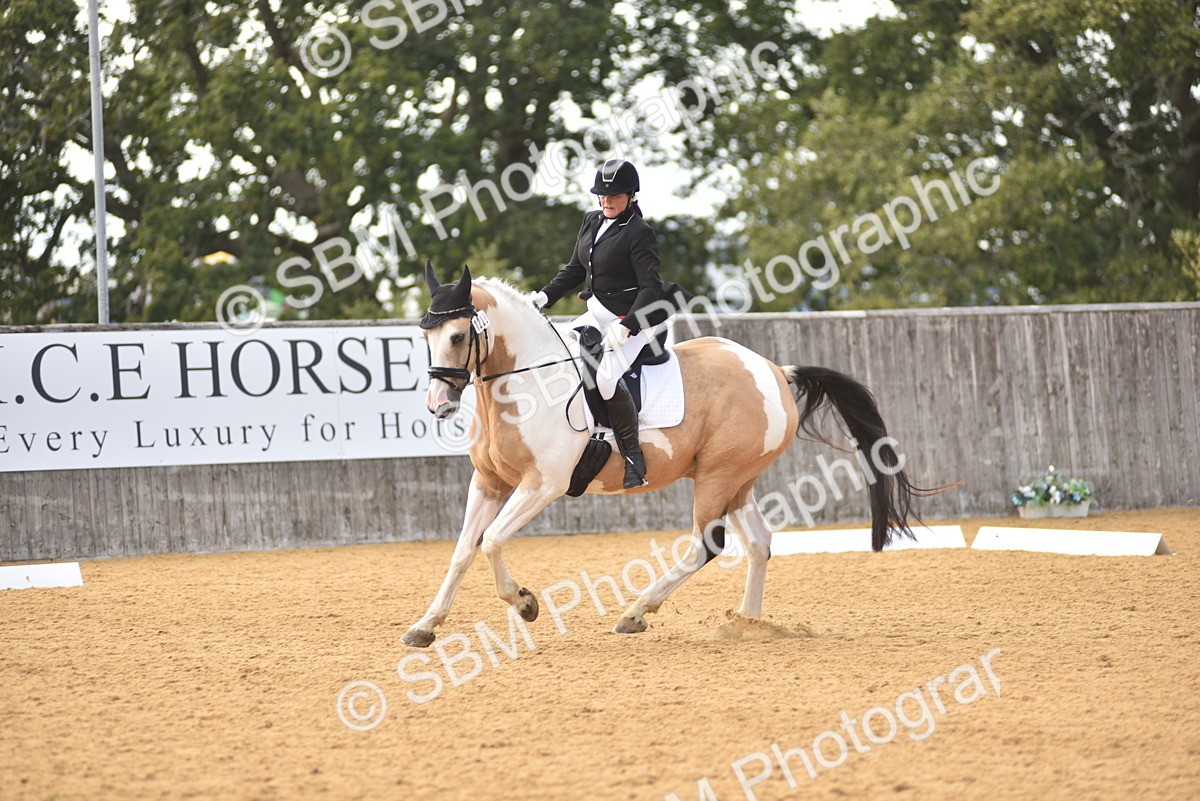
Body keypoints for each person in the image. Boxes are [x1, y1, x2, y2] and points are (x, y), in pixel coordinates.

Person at [531, 158, 689, 489]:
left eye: (614, 195)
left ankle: (633, 458)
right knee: (560, 355)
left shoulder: (639, 233)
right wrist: (544, 296)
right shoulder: (592, 220)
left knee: (604, 378)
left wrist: (628, 325)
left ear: (631, 196)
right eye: (602, 195)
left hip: (634, 317)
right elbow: (575, 270)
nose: (606, 200)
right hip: (599, 311)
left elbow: (650, 287)